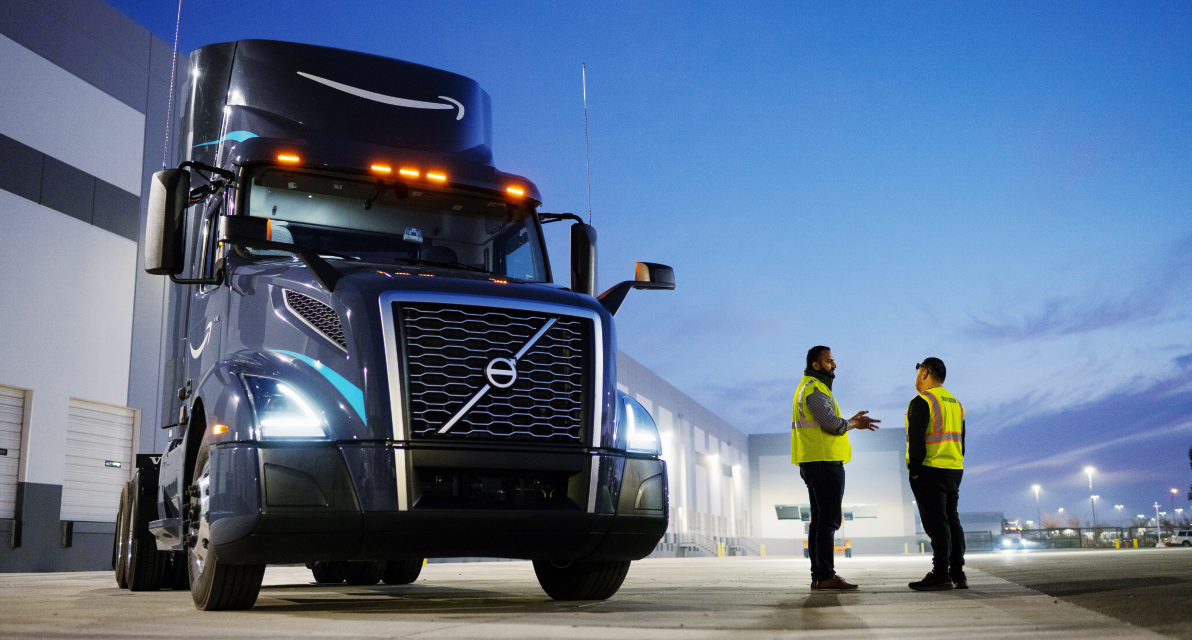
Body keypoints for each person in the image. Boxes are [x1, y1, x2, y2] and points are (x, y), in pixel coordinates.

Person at [792, 346, 879, 591]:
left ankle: (819, 576)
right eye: (830, 361)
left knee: (819, 521)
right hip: (823, 463)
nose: (835, 365)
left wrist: (850, 420)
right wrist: (855, 423)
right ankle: (826, 576)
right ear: (816, 365)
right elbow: (831, 424)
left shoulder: (810, 387)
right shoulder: (815, 389)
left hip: (814, 461)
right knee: (827, 522)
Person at [905, 357, 967, 591]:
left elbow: (918, 440)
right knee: (952, 520)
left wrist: (914, 471)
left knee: (937, 523)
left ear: (925, 373)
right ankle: (958, 573)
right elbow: (962, 440)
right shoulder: (956, 403)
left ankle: (940, 573)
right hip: (954, 468)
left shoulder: (923, 401)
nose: (916, 376)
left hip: (930, 469)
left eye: (918, 370)